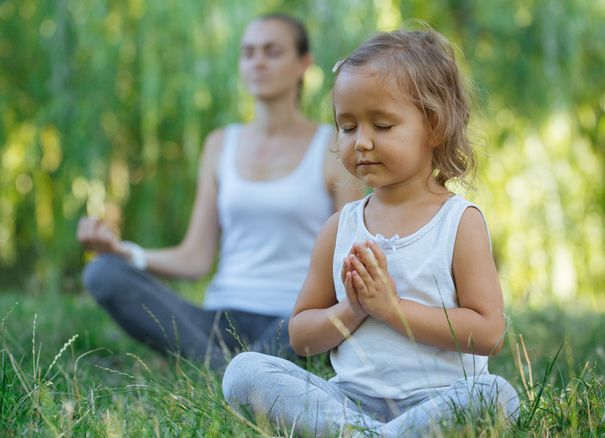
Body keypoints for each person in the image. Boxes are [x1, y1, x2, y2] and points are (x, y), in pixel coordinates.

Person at [222, 22, 520, 436]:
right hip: (347, 400)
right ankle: (367, 432)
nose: (361, 141)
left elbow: (489, 334)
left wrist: (391, 309)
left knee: (496, 395)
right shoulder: (338, 228)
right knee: (243, 371)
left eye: (382, 126)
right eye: (348, 127)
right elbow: (302, 336)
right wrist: (353, 309)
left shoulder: (459, 223)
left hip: (437, 400)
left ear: (433, 126)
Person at [77, 14, 363, 369]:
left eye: (271, 52)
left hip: (291, 320)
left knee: (312, 326)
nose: (257, 61)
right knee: (102, 272)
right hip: (215, 320)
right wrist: (125, 253)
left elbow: (348, 255)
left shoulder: (335, 145)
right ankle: (234, 369)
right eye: (247, 53)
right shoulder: (219, 145)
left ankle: (222, 369)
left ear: (304, 64)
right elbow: (196, 257)